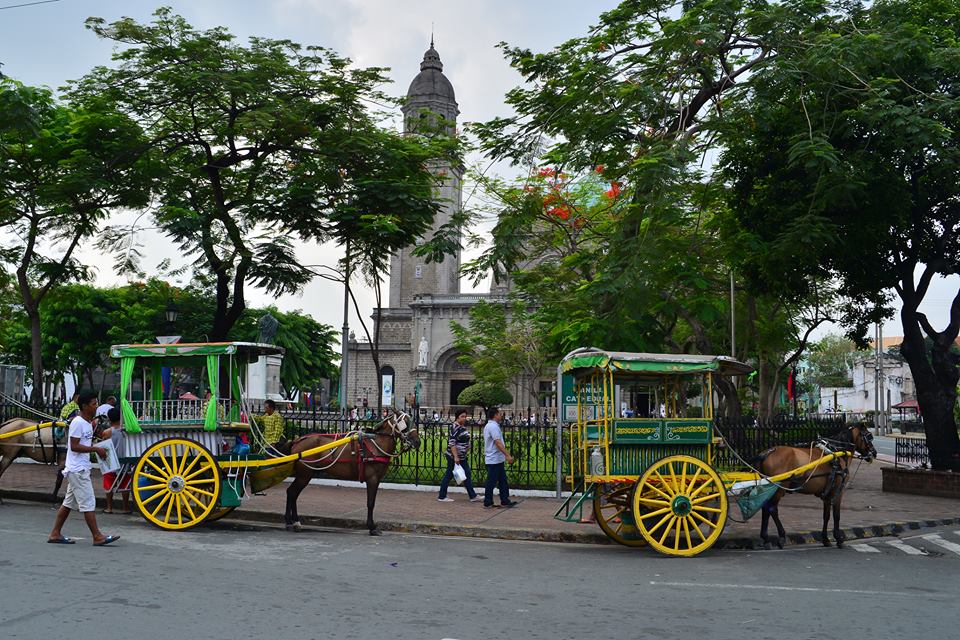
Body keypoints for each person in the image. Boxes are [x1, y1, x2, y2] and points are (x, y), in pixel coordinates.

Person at [47, 391, 120, 546]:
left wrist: (95, 446)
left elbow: (84, 444)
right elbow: (74, 446)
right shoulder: (78, 422)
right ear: (85, 406)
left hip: (80, 468)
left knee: (68, 504)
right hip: (77, 470)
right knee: (88, 502)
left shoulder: (87, 423)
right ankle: (97, 536)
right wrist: (95, 450)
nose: (96, 406)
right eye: (94, 404)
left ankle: (55, 533)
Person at [437, 409, 481, 503]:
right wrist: (456, 456)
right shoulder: (455, 427)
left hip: (462, 456)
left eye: (465, 416)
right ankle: (442, 496)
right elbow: (452, 443)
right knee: (449, 474)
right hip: (454, 457)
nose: (464, 418)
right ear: (457, 417)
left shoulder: (461, 426)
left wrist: (467, 446)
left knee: (466, 473)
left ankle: (472, 495)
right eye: (462, 416)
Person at [482, 406, 517, 508]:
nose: (501, 415)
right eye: (500, 413)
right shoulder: (493, 427)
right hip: (494, 458)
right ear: (495, 415)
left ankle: (504, 500)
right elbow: (498, 442)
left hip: (497, 458)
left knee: (502, 481)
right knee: (491, 481)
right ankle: (488, 501)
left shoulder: (492, 425)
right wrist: (508, 455)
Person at [100, 407, 131, 514]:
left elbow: (103, 445)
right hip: (125, 461)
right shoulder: (127, 430)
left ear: (110, 419)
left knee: (109, 485)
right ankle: (126, 508)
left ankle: (109, 507)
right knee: (125, 485)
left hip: (111, 461)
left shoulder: (107, 432)